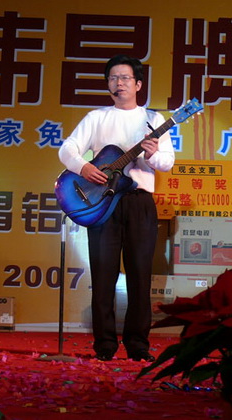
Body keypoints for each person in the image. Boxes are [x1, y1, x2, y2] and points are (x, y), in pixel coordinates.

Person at [58, 55, 175, 362]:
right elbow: (67, 149)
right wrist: (84, 167)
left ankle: (138, 344)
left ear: (138, 84)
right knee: (103, 274)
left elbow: (167, 163)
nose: (118, 83)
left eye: (125, 78)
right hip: (102, 203)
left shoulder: (154, 119)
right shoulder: (96, 117)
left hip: (139, 202)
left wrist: (151, 154)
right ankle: (105, 344)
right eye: (112, 78)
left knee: (140, 275)